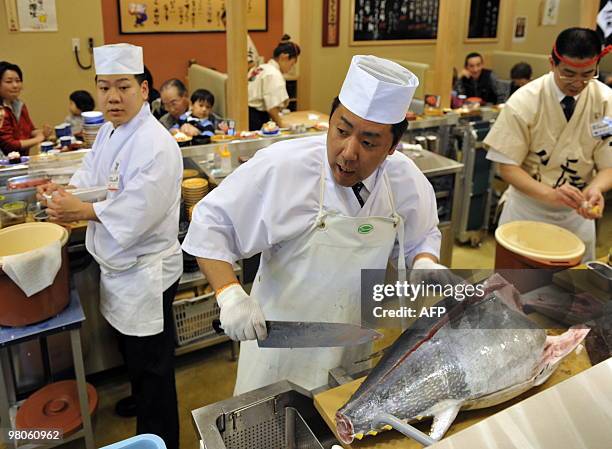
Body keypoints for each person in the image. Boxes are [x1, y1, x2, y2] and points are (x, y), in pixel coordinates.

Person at [182, 55, 448, 396]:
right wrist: (229, 294)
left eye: (368, 142)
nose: (348, 152)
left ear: (393, 146)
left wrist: (425, 261)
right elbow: (210, 223)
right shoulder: (283, 167)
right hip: (277, 352)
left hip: (353, 348)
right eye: (341, 130)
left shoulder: (405, 181)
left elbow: (422, 234)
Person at [37, 44, 183, 449]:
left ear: (144, 88)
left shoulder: (156, 145)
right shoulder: (110, 130)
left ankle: (161, 439)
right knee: (134, 355)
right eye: (105, 88)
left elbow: (138, 212)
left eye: (123, 87)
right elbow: (93, 172)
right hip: (120, 269)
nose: (113, 97)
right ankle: (141, 402)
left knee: (154, 367)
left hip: (147, 272)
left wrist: (80, 209)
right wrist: (66, 191)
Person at [484, 28, 612, 261]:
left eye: (587, 74)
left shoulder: (606, 101)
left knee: (575, 291)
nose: (578, 83)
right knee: (517, 288)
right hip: (527, 209)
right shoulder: (524, 101)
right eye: (569, 73)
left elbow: (608, 165)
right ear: (552, 63)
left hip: (578, 213)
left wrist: (596, 189)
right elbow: (507, 167)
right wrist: (551, 195)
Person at [247, 35, 300, 130]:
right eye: (292, 64)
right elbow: (272, 108)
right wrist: (281, 125)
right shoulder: (273, 74)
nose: (290, 69)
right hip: (255, 118)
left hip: (247, 114)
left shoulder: (262, 67)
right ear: (284, 57)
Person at [0, 61, 52, 155]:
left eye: (18, 81)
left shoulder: (19, 105)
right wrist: (38, 139)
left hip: (21, 160)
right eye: (9, 81)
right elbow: (9, 145)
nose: (15, 85)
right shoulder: (1, 112)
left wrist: (43, 132)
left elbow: (29, 131)